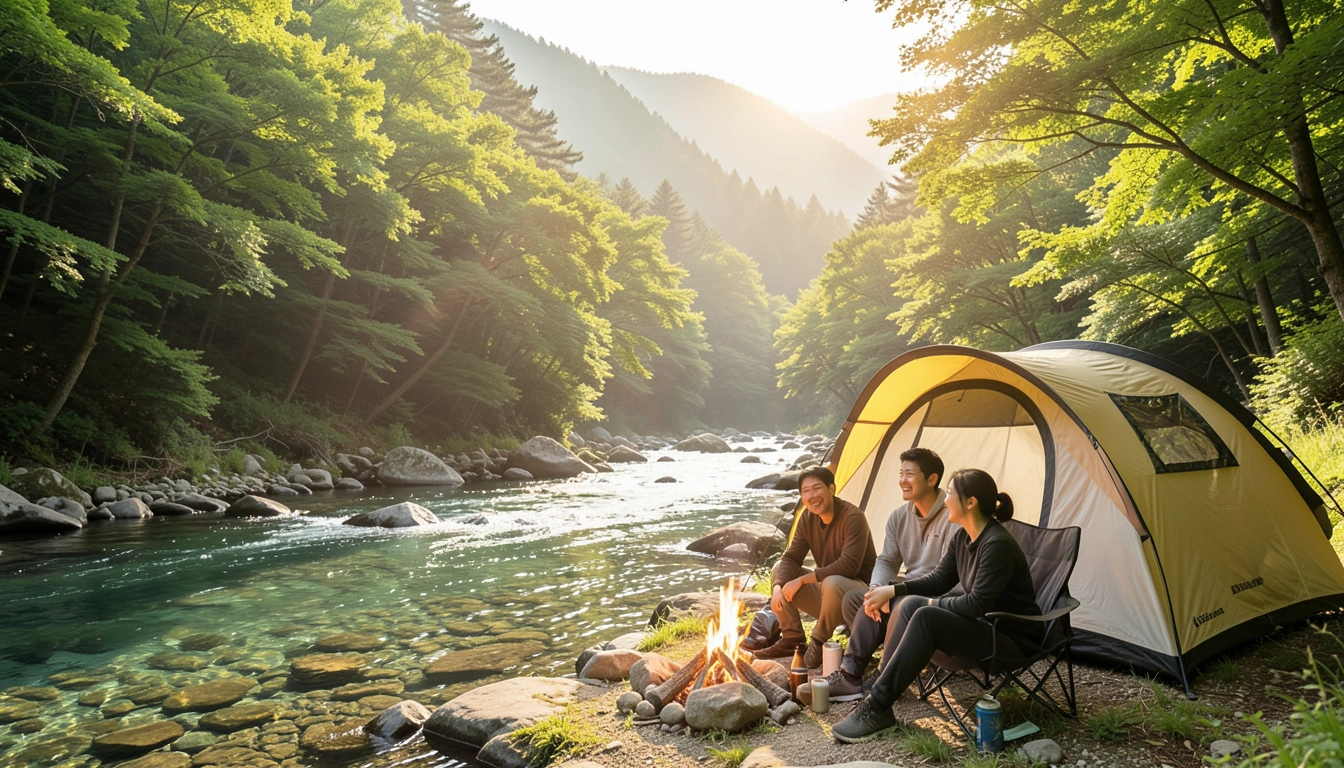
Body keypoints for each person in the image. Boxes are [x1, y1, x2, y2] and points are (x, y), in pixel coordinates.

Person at [831, 468, 1042, 743]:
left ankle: (877, 705)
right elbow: (938, 580)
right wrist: (893, 589)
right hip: (983, 629)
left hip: (1009, 640)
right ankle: (879, 696)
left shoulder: (996, 544)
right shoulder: (964, 537)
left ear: (971, 502)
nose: (945, 499)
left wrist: (926, 602)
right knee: (909, 605)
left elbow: (976, 604)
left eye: (951, 493)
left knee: (925, 614)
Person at [800, 448, 955, 702]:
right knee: (857, 598)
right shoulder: (899, 516)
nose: (903, 480)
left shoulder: (953, 516)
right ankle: (861, 668)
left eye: (910, 474)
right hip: (907, 592)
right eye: (901, 473)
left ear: (932, 479)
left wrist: (892, 592)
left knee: (897, 602)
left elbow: (946, 578)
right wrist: (877, 588)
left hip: (938, 595)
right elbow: (887, 560)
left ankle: (869, 673)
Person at [754, 466, 876, 667]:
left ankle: (818, 640)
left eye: (817, 488)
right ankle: (792, 639)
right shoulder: (808, 518)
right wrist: (778, 587)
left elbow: (849, 567)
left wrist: (802, 580)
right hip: (828, 595)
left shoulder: (853, 517)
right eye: (805, 491)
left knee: (833, 581)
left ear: (832, 489)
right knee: (779, 570)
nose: (812, 496)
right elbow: (792, 557)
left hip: (859, 598)